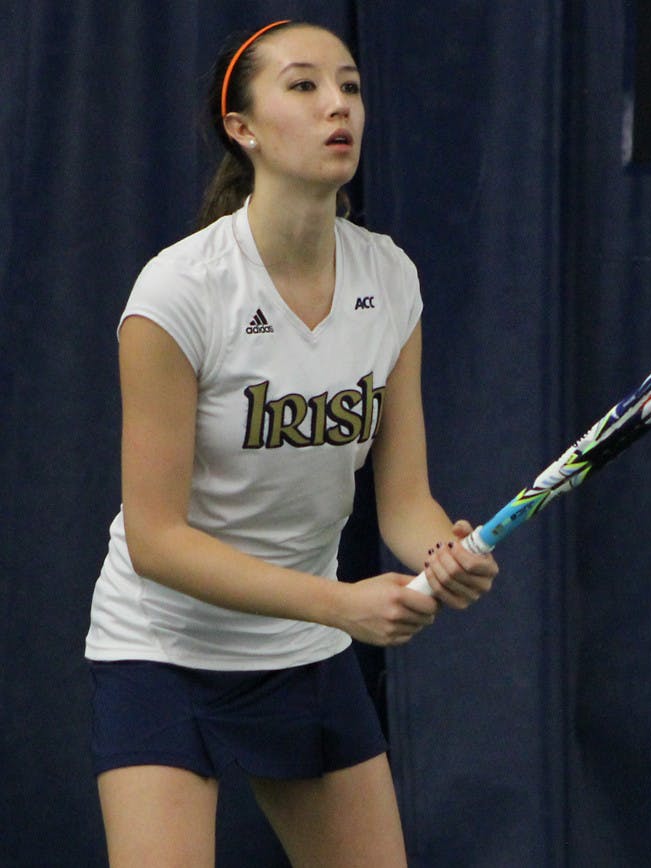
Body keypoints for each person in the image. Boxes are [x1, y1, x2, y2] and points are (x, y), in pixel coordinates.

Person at [85, 19, 498, 868]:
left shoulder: (390, 278)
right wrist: (344, 606)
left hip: (301, 654)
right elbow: (157, 542)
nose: (336, 105)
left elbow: (405, 499)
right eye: (304, 86)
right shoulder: (179, 292)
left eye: (349, 85)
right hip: (164, 648)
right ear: (243, 128)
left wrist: (443, 552)